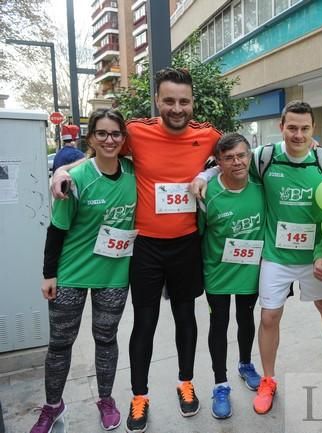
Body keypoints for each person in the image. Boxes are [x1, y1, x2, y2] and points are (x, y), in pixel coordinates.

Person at [51, 67, 222, 433]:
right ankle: (139, 395)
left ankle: (185, 382)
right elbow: (101, 151)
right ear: (157, 101)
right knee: (144, 323)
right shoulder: (138, 133)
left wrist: (206, 175)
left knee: (186, 318)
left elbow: (238, 158)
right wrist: (61, 171)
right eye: (169, 100)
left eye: (184, 101)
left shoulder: (208, 136)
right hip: (145, 246)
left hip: (186, 243)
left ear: (193, 103)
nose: (177, 108)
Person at [197, 101, 322, 415]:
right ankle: (268, 379)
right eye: (292, 128)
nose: (298, 134)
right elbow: (232, 162)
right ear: (281, 128)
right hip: (275, 256)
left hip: (315, 257)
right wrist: (203, 176)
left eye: (305, 128)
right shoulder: (265, 157)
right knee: (269, 317)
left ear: (314, 130)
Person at [30, 109, 135, 433]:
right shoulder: (73, 181)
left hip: (114, 275)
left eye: (115, 133)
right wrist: (49, 274)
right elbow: (56, 230)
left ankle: (106, 400)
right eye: (101, 133)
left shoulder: (135, 171)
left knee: (106, 340)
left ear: (123, 139)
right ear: (91, 138)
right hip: (71, 275)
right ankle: (52, 406)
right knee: (61, 344)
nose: (109, 139)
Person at [197, 133, 264, 420]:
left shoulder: (262, 186)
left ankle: (246, 364)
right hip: (217, 274)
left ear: (249, 156)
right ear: (219, 163)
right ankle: (220, 384)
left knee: (246, 319)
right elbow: (196, 233)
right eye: (229, 158)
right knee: (219, 325)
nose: (237, 162)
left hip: (251, 271)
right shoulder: (207, 192)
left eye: (241, 155)